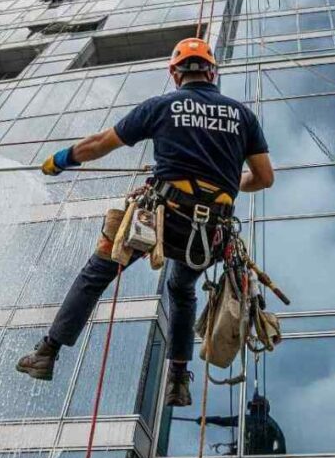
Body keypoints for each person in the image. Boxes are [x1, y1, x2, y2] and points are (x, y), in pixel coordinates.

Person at [16, 38, 275, 407]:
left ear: (175, 74)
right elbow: (264, 178)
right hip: (208, 236)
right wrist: (231, 184)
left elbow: (100, 143)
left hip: (162, 218)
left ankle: (47, 353)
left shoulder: (162, 106)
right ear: (212, 72)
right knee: (182, 290)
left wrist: (60, 160)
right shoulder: (242, 116)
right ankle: (177, 382)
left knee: (97, 273)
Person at [177, 393, 287, 458]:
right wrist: (207, 420)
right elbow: (282, 451)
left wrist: (262, 457)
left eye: (252, 407)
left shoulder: (259, 422)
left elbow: (224, 421)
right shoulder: (264, 423)